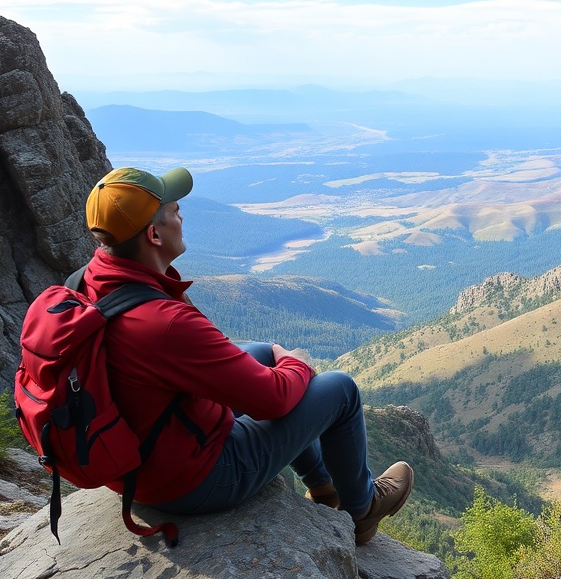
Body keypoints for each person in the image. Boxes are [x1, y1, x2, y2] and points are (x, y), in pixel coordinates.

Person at [80, 165, 412, 545]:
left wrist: (274, 360)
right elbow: (272, 399)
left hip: (141, 461)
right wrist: (297, 363)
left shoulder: (91, 281)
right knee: (340, 389)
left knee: (259, 354)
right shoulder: (164, 322)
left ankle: (325, 487)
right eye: (174, 211)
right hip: (195, 479)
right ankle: (362, 508)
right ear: (153, 234)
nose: (181, 216)